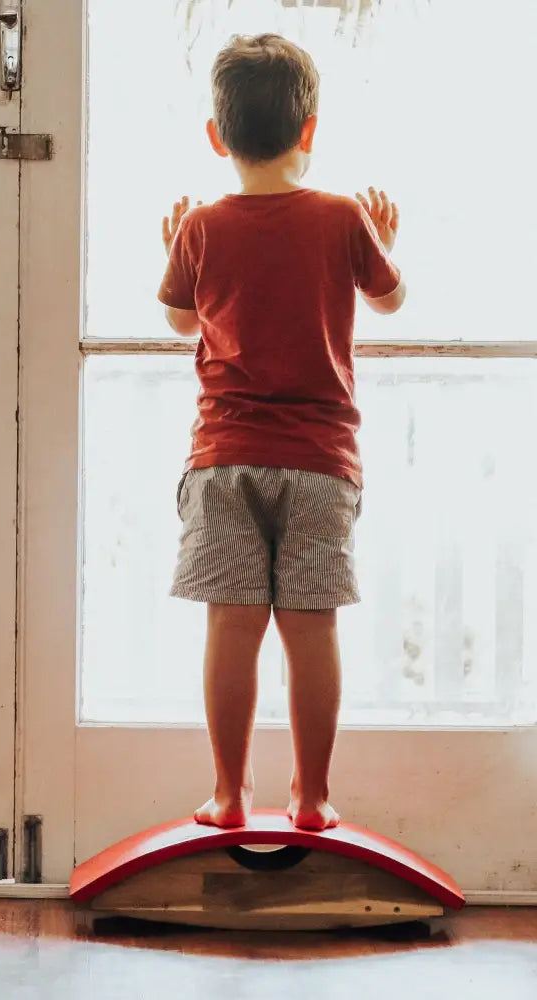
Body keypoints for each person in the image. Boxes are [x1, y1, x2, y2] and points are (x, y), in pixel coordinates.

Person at [159, 33, 404, 832]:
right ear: (310, 130)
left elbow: (180, 319)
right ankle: (310, 797)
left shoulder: (200, 225)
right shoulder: (342, 219)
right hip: (321, 463)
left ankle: (230, 795)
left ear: (216, 136)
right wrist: (384, 243)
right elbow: (390, 298)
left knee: (231, 626)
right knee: (311, 630)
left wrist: (179, 253)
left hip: (225, 457)